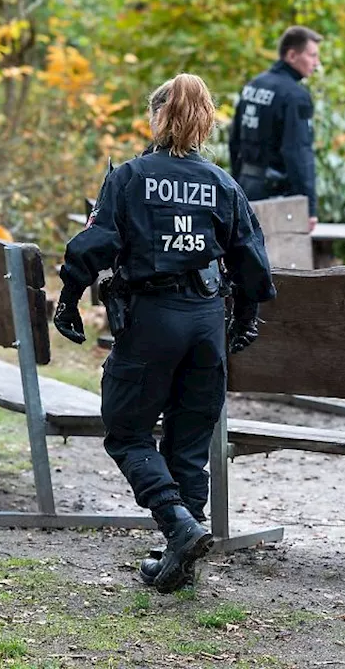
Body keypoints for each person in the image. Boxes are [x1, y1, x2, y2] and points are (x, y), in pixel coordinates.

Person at [54, 73, 276, 592]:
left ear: (157, 117)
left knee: (128, 430)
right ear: (206, 121)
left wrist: (67, 299)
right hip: (206, 323)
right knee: (189, 442)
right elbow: (252, 263)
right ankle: (182, 552)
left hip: (153, 320)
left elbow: (94, 244)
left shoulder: (130, 177)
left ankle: (177, 525)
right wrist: (244, 321)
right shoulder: (223, 184)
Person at [228, 25, 322, 232]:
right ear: (292, 55)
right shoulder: (295, 96)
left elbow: (234, 139)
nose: (317, 63)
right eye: (312, 56)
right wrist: (309, 207)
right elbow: (297, 152)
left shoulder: (254, 85)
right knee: (279, 259)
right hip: (276, 196)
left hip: (245, 184)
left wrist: (235, 185)